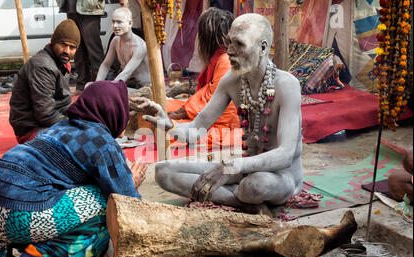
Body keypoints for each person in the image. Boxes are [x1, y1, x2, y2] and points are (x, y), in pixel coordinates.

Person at [0, 81, 147, 257]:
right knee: (106, 199)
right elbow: (127, 201)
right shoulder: (102, 141)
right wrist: (132, 183)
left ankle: (23, 250)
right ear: (113, 110)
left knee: (74, 195)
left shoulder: (59, 126)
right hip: (19, 216)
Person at [130, 13, 303, 212]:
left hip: (280, 178)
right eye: (229, 42)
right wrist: (168, 124)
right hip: (244, 168)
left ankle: (238, 198)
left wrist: (232, 166)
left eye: (239, 44)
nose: (229, 51)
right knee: (163, 171)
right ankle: (246, 205)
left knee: (253, 186)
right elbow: (197, 129)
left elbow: (285, 155)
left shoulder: (287, 85)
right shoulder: (231, 81)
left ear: (262, 48)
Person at [167, 7, 240, 150]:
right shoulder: (219, 56)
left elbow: (222, 106)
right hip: (204, 112)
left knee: (168, 133)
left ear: (209, 38)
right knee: (162, 106)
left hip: (224, 122)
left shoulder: (226, 60)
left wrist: (181, 112)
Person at [9, 19, 80, 144]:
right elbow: (46, 115)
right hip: (32, 131)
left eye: (72, 47)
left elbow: (62, 104)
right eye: (63, 44)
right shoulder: (43, 65)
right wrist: (74, 126)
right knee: (85, 140)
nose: (67, 51)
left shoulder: (60, 63)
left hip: (46, 124)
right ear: (53, 42)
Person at [91, 7, 151, 89]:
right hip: (126, 83)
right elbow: (105, 65)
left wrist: (110, 88)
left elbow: (126, 73)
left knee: (107, 92)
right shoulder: (116, 40)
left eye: (119, 22)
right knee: (89, 86)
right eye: (113, 22)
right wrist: (96, 85)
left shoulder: (139, 47)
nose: (115, 26)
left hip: (143, 88)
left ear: (130, 23)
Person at [57, 0, 106, 93]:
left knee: (93, 51)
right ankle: (81, 86)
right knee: (77, 51)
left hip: (90, 8)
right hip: (70, 8)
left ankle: (100, 86)